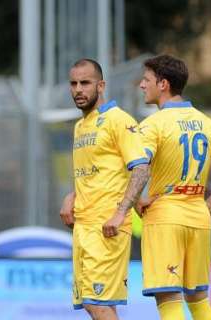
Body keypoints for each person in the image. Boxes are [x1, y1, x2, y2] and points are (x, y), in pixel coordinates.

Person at [136, 54, 211, 320]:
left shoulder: (153, 125)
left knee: (169, 299)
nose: (142, 85)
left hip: (165, 215)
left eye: (146, 80)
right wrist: (208, 204)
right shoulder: (206, 122)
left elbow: (138, 168)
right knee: (198, 300)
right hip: (198, 216)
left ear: (163, 84)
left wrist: (134, 202)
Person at [59, 58, 150, 320]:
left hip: (107, 227)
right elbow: (92, 173)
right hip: (83, 228)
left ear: (101, 85)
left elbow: (140, 168)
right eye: (73, 83)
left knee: (97, 304)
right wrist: (71, 196)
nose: (78, 89)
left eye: (85, 83)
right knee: (92, 304)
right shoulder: (80, 126)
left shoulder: (118, 120)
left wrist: (121, 212)